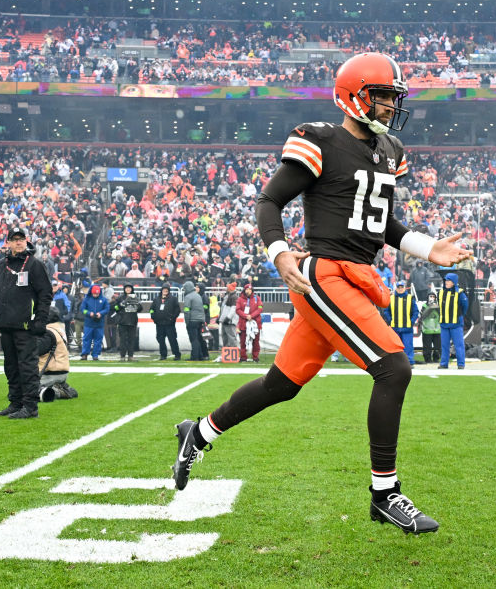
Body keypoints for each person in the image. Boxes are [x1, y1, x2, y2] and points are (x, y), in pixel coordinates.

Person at [171, 52, 471, 535]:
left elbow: (381, 222)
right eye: (383, 97)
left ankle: (199, 433)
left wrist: (426, 247)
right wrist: (279, 252)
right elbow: (270, 199)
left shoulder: (389, 150)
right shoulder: (321, 140)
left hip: (356, 275)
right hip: (324, 275)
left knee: (280, 385)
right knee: (393, 368)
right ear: (355, 96)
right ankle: (384, 494)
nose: (391, 107)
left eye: (395, 98)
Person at [0, 228, 52, 419]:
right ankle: (15, 402)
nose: (19, 242)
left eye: (22, 239)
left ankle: (30, 407)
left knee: (27, 366)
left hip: (25, 325)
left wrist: (40, 320)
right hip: (5, 324)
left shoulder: (34, 265)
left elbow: (45, 294)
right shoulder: (0, 265)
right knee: (10, 366)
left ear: (26, 242)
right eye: (15, 239)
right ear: (8, 243)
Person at [36, 308, 78, 402]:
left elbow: (38, 350)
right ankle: (63, 387)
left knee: (24, 391)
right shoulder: (58, 329)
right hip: (61, 372)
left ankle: (56, 391)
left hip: (49, 373)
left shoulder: (47, 332)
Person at [383, 280, 419, 366]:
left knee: (408, 346)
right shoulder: (391, 298)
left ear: (404, 288)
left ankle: (409, 362)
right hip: (395, 327)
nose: (400, 289)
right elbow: (386, 311)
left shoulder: (410, 298)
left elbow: (415, 312)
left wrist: (411, 321)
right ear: (396, 288)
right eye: (398, 287)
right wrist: (390, 320)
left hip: (407, 327)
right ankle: (396, 363)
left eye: (401, 287)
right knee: (395, 347)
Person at [438, 272, 469, 369]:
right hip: (444, 324)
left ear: (454, 282)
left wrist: (459, 316)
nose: (446, 282)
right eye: (446, 280)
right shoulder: (441, 292)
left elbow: (465, 307)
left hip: (456, 324)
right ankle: (444, 363)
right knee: (444, 345)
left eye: (448, 280)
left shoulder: (460, 293)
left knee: (459, 345)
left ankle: (461, 364)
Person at [150, 284, 181, 361]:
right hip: (159, 324)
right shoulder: (156, 299)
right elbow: (151, 309)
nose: (165, 291)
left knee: (172, 339)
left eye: (167, 289)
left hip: (169, 324)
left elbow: (177, 310)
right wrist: (154, 317)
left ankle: (177, 354)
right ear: (161, 290)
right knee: (160, 339)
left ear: (169, 291)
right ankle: (163, 355)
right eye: (164, 289)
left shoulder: (173, 299)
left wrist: (172, 318)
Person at [235, 282, 263, 362]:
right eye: (247, 289)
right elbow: (237, 310)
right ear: (244, 290)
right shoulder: (240, 299)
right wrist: (246, 316)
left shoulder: (257, 298)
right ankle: (243, 357)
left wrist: (252, 316)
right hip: (243, 323)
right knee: (243, 342)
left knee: (256, 342)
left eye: (250, 289)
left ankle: (255, 357)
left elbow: (260, 308)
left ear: (252, 290)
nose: (248, 291)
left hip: (255, 324)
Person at [111, 284, 141, 361]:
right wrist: (121, 304)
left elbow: (140, 309)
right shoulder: (120, 297)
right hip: (122, 322)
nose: (128, 289)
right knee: (123, 340)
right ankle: (122, 356)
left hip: (132, 321)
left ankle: (131, 356)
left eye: (129, 288)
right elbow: (115, 308)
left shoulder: (135, 297)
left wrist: (137, 305)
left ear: (132, 289)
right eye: (126, 288)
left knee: (132, 340)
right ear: (124, 289)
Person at [80, 284, 109, 361]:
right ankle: (84, 354)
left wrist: (101, 313)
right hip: (89, 323)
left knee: (98, 340)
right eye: (94, 293)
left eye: (97, 293)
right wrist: (89, 313)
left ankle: (95, 355)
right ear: (91, 293)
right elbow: (83, 309)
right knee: (86, 339)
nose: (95, 295)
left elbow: (107, 309)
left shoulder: (104, 300)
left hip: (99, 323)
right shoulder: (86, 299)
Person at [182, 280, 208, 361]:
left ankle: (195, 356)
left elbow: (186, 311)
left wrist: (187, 322)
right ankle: (200, 355)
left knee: (194, 339)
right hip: (200, 320)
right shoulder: (198, 296)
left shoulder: (188, 297)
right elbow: (202, 309)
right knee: (199, 338)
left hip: (192, 320)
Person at [418, 293, 441, 365]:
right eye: (430, 296)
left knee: (437, 346)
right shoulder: (424, 305)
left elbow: (441, 315)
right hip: (427, 329)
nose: (432, 298)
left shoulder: (438, 305)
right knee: (427, 346)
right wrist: (430, 307)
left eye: (433, 296)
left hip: (437, 329)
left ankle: (436, 358)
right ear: (427, 297)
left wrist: (436, 307)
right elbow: (423, 316)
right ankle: (427, 359)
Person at [218, 284, 239, 352]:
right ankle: (226, 353)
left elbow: (233, 309)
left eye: (227, 287)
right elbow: (224, 309)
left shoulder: (234, 297)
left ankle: (233, 353)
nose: (226, 288)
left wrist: (228, 318)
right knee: (225, 337)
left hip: (229, 320)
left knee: (231, 337)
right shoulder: (228, 296)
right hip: (225, 320)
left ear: (230, 288)